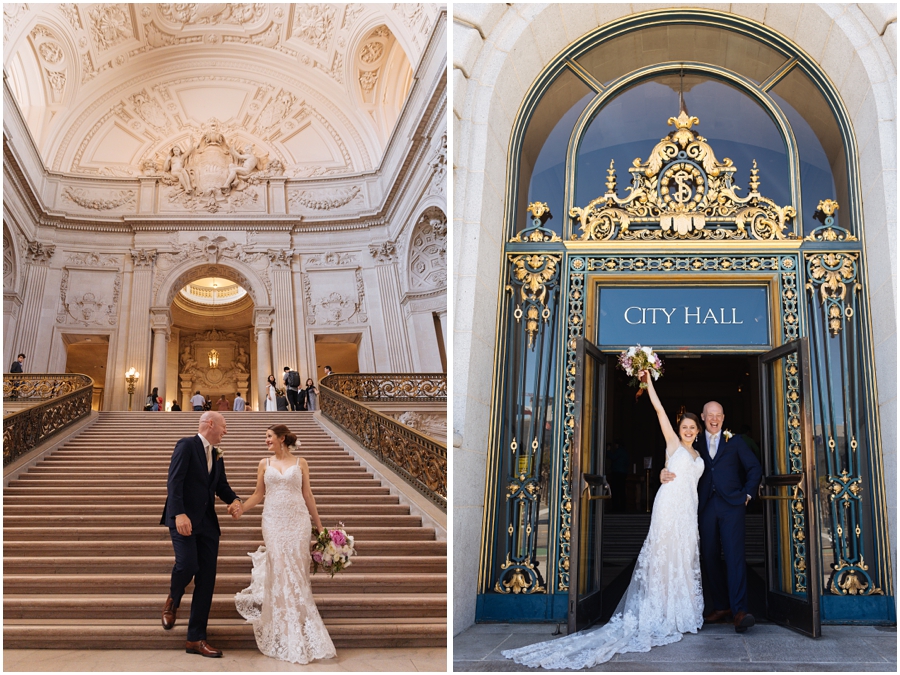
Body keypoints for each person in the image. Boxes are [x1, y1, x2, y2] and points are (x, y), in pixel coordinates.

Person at [503, 370, 705, 669]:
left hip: (688, 511)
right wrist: (648, 382)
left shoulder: (699, 456)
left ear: (698, 431)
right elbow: (660, 410)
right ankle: (660, 611)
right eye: (684, 426)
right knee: (663, 559)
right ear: (679, 428)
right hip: (668, 508)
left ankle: (680, 611)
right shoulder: (672, 445)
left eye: (692, 427)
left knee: (684, 557)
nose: (687, 430)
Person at [234, 424, 336, 664]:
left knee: (297, 573)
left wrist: (320, 528)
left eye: (269, 436)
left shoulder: (301, 463)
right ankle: (283, 630)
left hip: (297, 522)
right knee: (280, 570)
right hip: (273, 522)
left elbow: (307, 495)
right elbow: (259, 494)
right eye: (266, 436)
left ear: (281, 438)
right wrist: (241, 508)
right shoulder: (264, 464)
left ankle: (300, 628)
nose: (266, 440)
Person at [661, 401, 762, 632]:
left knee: (735, 557)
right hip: (705, 506)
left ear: (723, 418)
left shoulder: (735, 441)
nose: (714, 419)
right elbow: (675, 459)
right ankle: (721, 605)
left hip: (732, 506)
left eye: (718, 415)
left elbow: (754, 468)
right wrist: (663, 471)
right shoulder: (693, 442)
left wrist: (747, 493)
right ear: (703, 418)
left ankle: (739, 611)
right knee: (709, 555)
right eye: (710, 415)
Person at [160, 411, 243, 658]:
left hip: (208, 524)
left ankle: (195, 638)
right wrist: (179, 514)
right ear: (210, 424)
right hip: (183, 519)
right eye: (224, 426)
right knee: (187, 565)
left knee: (206, 580)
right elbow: (174, 482)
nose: (226, 431)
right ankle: (173, 598)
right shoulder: (186, 445)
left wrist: (236, 500)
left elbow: (221, 485)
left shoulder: (217, 454)